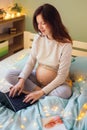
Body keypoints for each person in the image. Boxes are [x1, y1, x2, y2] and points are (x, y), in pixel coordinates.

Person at [6, 3, 72, 104]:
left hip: (57, 84)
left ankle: (33, 93)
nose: (40, 27)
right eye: (38, 23)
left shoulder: (65, 44)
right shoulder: (38, 38)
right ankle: (37, 92)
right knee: (10, 74)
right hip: (37, 80)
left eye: (43, 23)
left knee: (65, 92)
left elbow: (61, 77)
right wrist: (21, 81)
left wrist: (41, 92)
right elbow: (31, 62)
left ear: (53, 22)